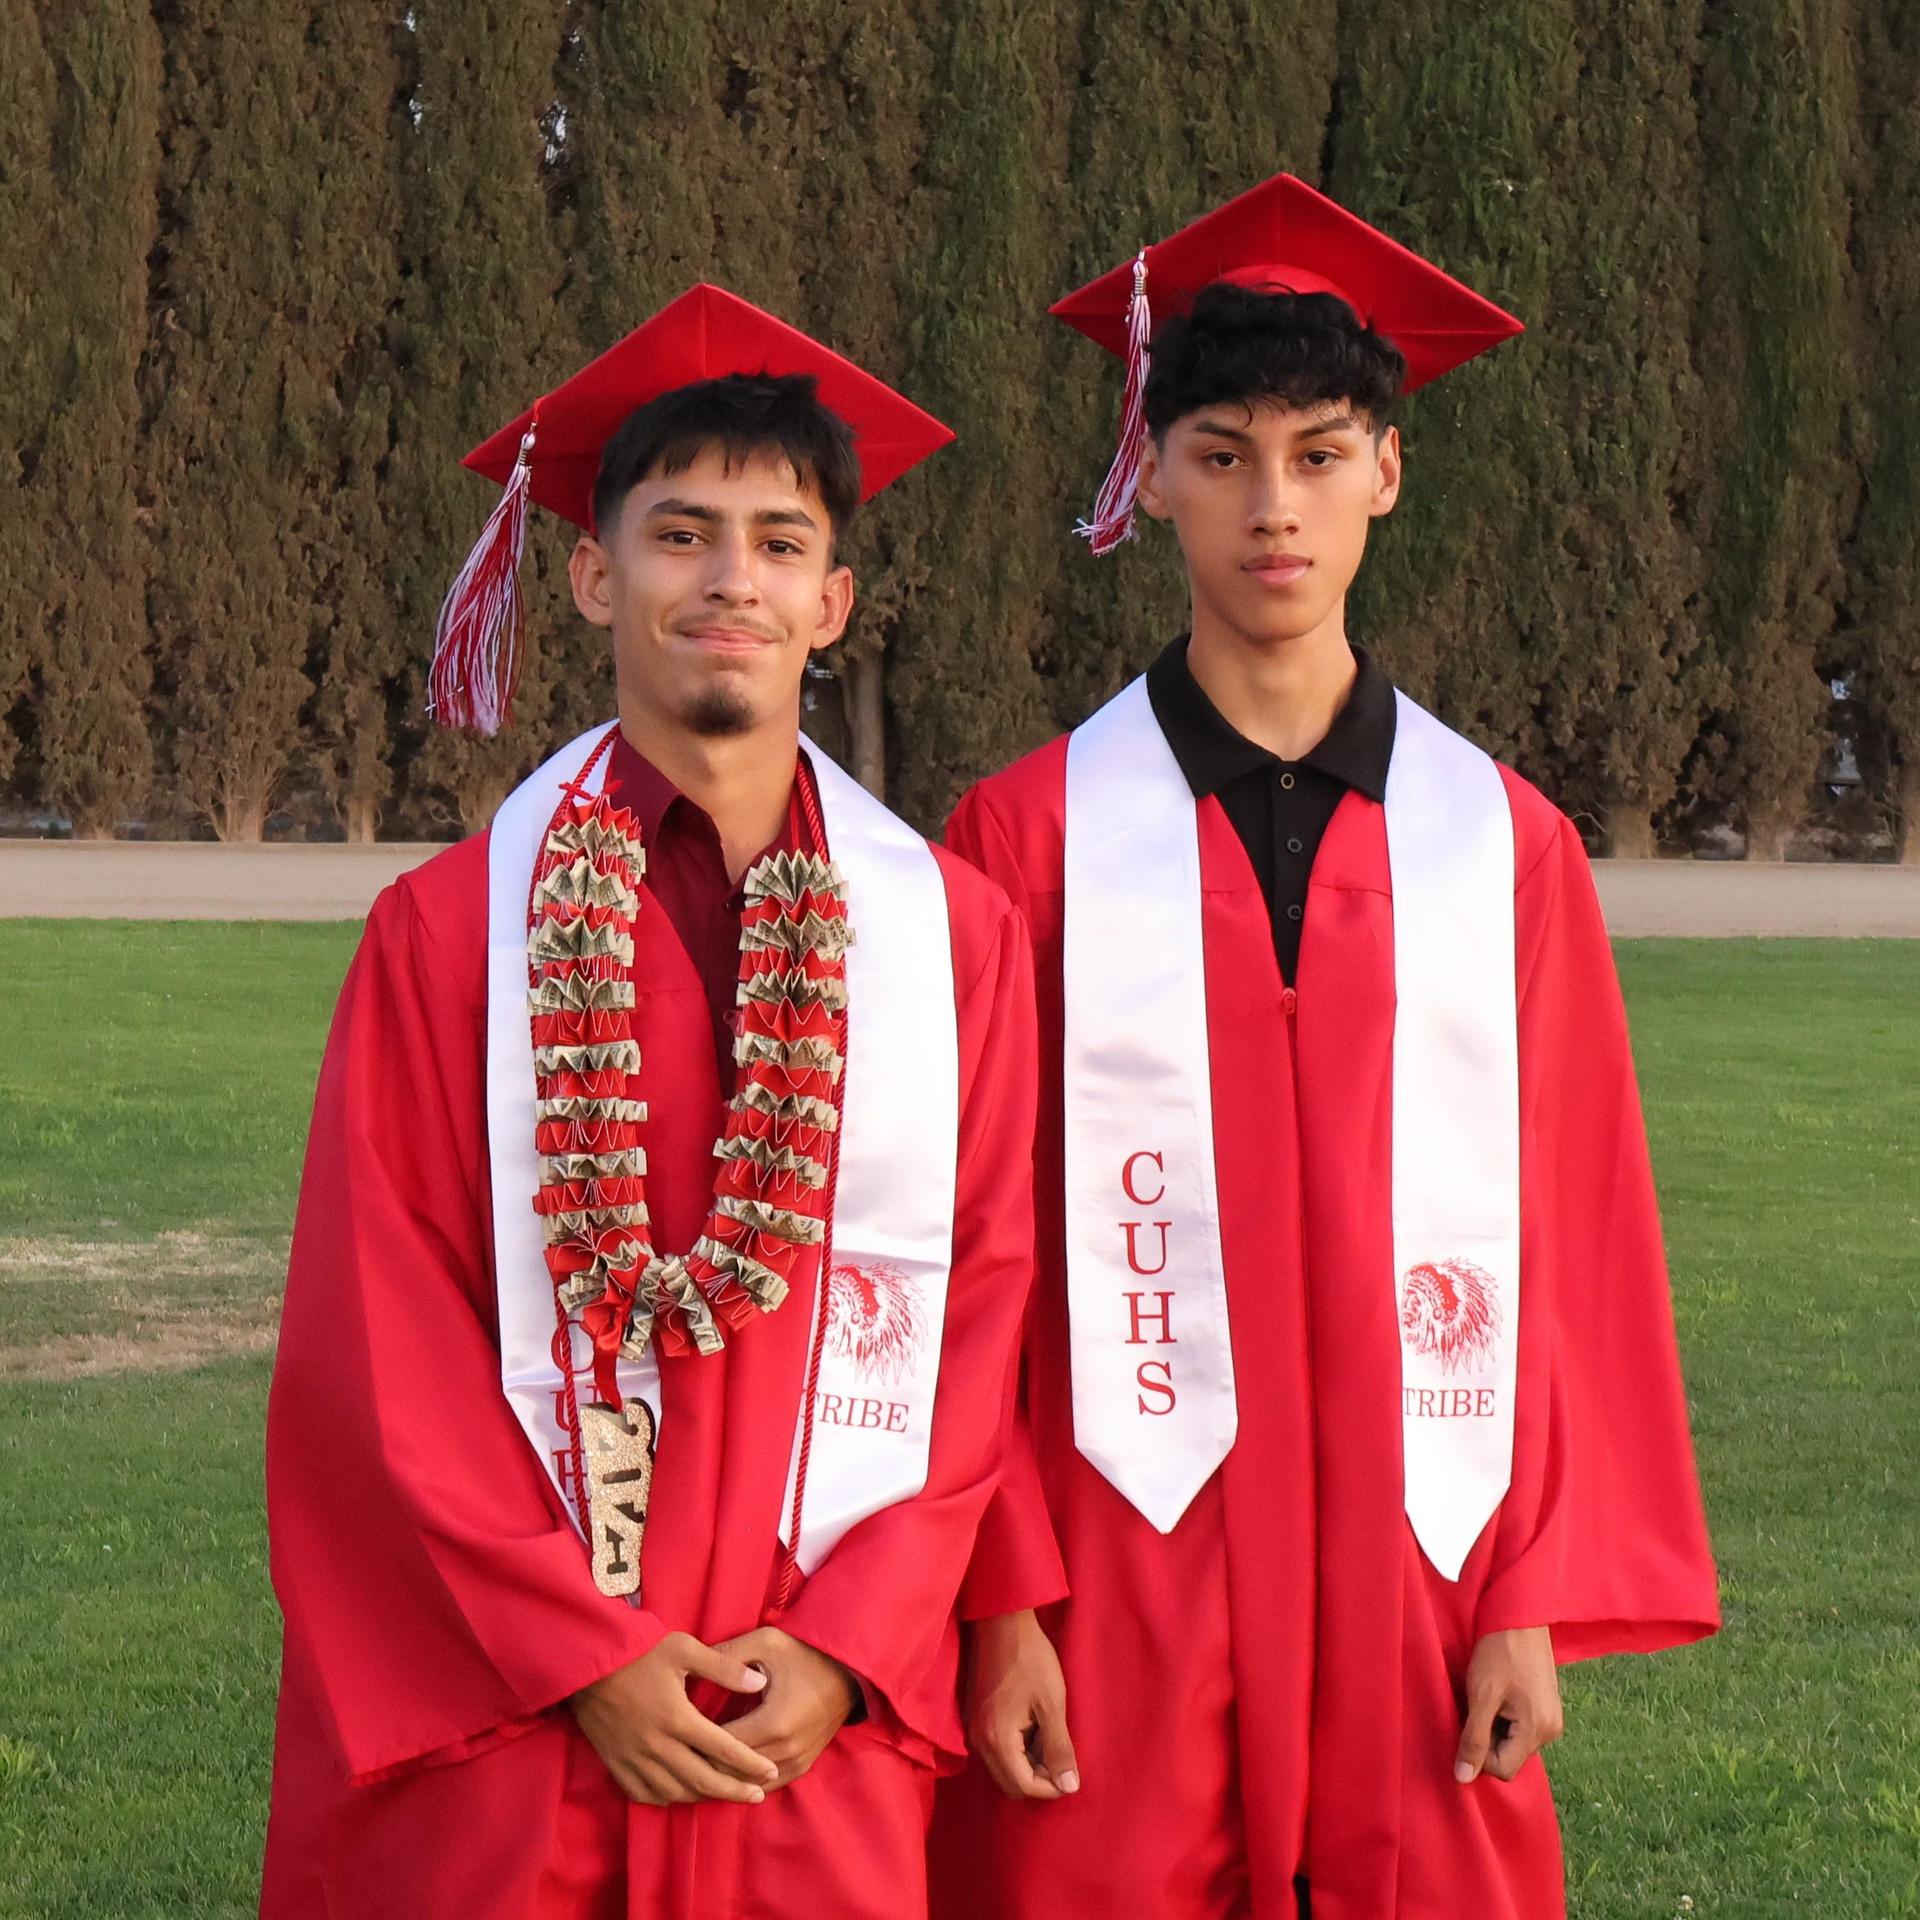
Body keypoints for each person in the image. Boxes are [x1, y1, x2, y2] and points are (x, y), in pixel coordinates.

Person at [933, 174, 1720, 1919]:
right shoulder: (1025, 840)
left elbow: (1572, 1246)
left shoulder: (1501, 847)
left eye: (1317, 451)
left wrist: (1525, 1586)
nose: (1270, 505)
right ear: (1149, 479)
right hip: (1115, 1559)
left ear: (1386, 468)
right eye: (1219, 453)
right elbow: (963, 1262)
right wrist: (1000, 1600)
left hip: (1422, 1563)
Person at [261, 284, 1058, 1920]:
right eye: (681, 535)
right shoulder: (448, 935)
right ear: (590, 573)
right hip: (521, 1728)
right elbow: (381, 1330)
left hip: (802, 1715)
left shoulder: (950, 939)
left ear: (834, 600)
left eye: (777, 544)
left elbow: (981, 1310)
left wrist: (856, 1644)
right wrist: (583, 1655)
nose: (729, 581)